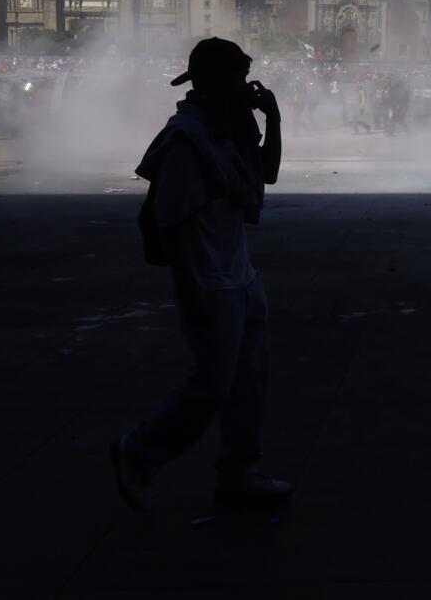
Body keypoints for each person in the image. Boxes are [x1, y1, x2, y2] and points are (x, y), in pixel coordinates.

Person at [111, 37, 292, 512]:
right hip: (208, 282)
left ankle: (238, 472)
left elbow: (267, 174)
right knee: (212, 383)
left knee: (249, 381)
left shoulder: (229, 129)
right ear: (216, 82)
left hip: (239, 274)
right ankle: (139, 451)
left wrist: (273, 119)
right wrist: (190, 288)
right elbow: (165, 219)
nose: (248, 90)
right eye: (240, 80)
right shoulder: (186, 138)